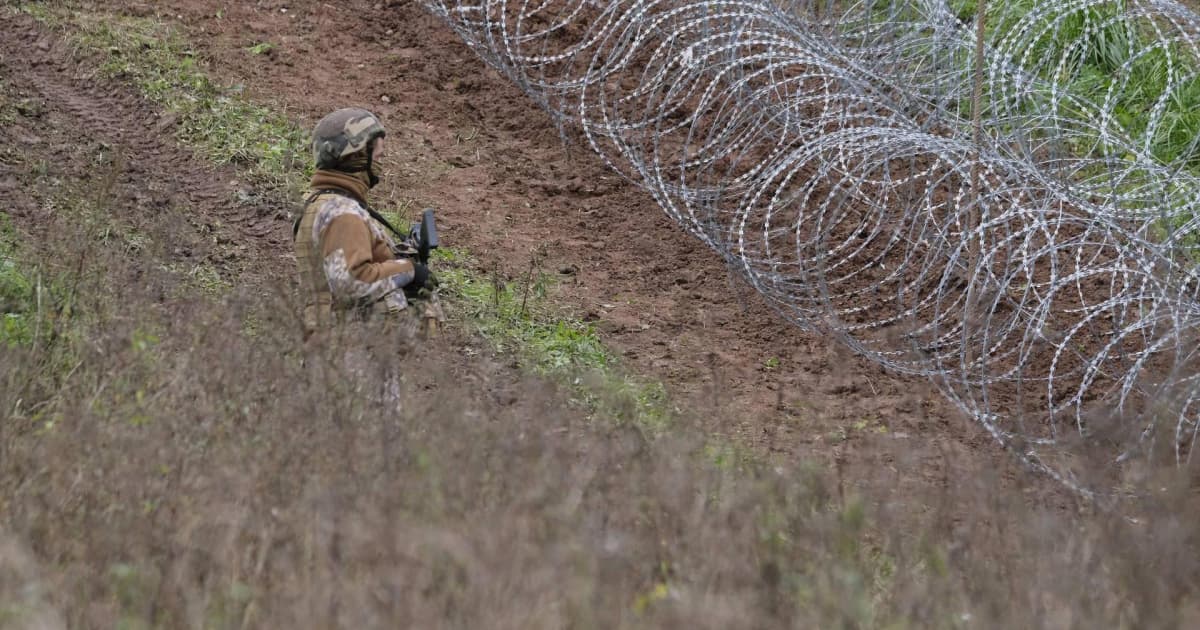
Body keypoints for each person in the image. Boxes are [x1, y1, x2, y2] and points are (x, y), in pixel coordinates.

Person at [292, 107, 440, 340]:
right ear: (357, 156)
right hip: (353, 358)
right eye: (378, 157)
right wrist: (410, 271)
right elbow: (352, 281)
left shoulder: (323, 204)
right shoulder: (342, 212)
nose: (380, 165)